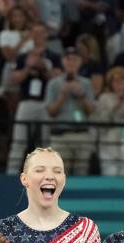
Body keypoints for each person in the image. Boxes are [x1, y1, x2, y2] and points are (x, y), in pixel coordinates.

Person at [5, 22, 61, 174]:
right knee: (19, 140)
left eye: (41, 32)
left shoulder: (53, 56)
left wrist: (43, 67)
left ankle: (47, 173)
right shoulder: (23, 57)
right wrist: (28, 67)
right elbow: (15, 79)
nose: (38, 36)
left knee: (46, 142)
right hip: (27, 102)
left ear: (45, 35)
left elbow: (57, 78)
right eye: (34, 33)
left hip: (46, 102)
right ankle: (11, 172)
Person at [45, 47, 96, 176]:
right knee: (58, 175)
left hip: (82, 135)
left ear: (80, 62)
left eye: (74, 60)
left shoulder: (86, 83)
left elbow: (91, 111)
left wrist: (82, 95)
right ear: (63, 62)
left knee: (82, 174)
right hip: (60, 135)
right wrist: (62, 95)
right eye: (68, 60)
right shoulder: (54, 84)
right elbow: (50, 111)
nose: (71, 63)